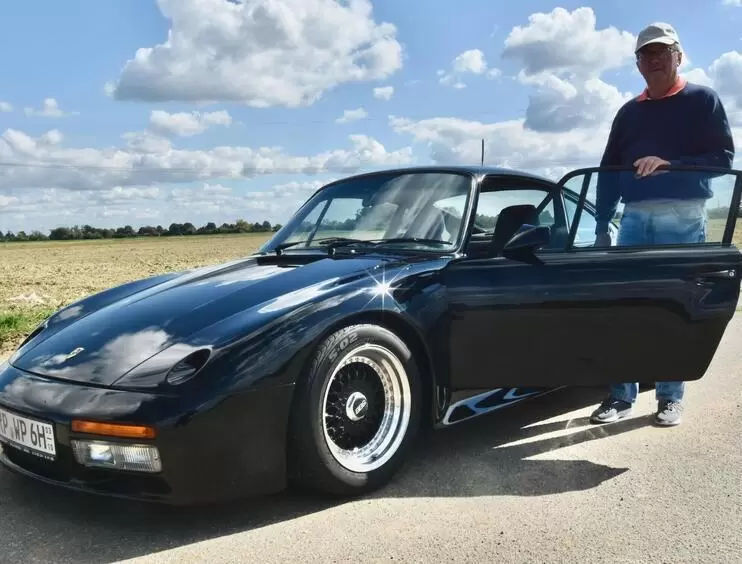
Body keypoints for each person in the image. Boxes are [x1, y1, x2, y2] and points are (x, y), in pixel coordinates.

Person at [589, 22, 735, 426]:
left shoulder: (702, 100)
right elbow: (609, 168)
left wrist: (672, 165)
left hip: (683, 215)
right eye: (645, 54)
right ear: (638, 64)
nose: (653, 59)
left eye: (661, 52)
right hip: (633, 218)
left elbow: (723, 160)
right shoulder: (629, 112)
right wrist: (602, 223)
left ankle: (670, 397)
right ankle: (620, 396)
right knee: (626, 308)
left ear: (678, 56)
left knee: (674, 308)